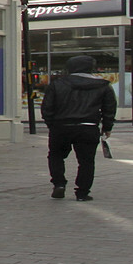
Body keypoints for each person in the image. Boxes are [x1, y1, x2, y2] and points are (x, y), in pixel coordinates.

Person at [41, 53, 116, 200]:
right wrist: (107, 127)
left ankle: (59, 184)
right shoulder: (103, 85)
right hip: (88, 127)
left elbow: (47, 108)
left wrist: (52, 124)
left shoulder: (57, 84)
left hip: (61, 126)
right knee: (86, 161)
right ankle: (82, 192)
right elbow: (109, 108)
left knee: (56, 155)